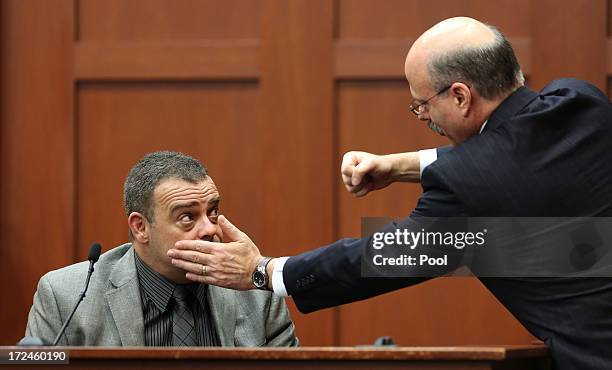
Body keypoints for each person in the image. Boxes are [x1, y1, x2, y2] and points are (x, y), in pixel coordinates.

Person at [167, 17, 612, 369]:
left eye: (422, 104)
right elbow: (516, 155)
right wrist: (400, 165)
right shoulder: (579, 102)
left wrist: (264, 272)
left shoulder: (462, 187)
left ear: (460, 96)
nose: (420, 115)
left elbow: (380, 260)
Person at [25, 151, 298, 347]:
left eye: (212, 212)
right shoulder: (67, 297)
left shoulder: (256, 293)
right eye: (187, 217)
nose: (210, 230)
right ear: (140, 227)